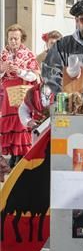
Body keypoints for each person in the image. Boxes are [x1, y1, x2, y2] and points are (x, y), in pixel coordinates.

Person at [0, 24, 40, 167]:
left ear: (21, 39)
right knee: (9, 126)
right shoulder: (3, 54)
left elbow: (34, 77)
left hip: (23, 93)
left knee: (21, 124)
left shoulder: (28, 54)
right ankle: (12, 154)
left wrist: (20, 71)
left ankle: (22, 155)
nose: (13, 41)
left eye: (16, 39)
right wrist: (2, 70)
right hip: (8, 96)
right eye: (11, 39)